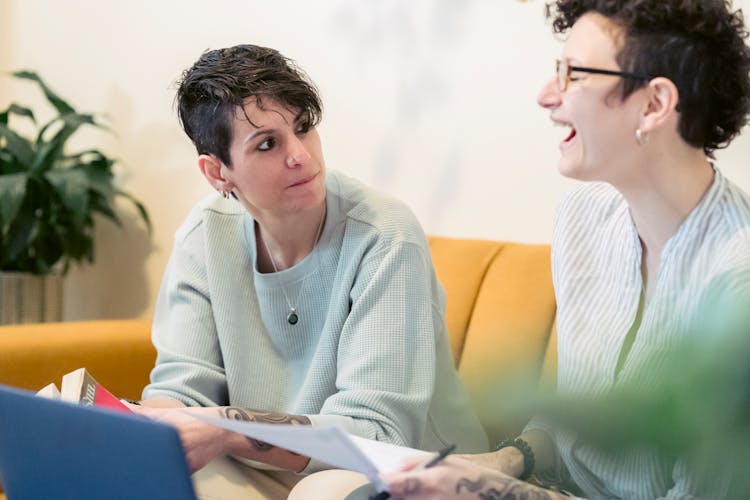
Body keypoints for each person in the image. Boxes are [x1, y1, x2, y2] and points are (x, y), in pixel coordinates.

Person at [290, 0, 750, 498]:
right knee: (330, 488)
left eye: (574, 74)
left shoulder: (737, 282)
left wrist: (486, 492)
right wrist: (496, 463)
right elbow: (574, 433)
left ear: (655, 104)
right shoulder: (584, 219)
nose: (546, 95)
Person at [127, 44, 488, 499]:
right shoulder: (205, 235)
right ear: (217, 172)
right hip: (265, 463)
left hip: (408, 471)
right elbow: (181, 386)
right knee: (164, 478)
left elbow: (378, 431)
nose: (301, 156)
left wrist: (222, 428)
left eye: (304, 128)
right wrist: (153, 430)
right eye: (267, 144)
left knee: (325, 492)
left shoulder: (384, 234)